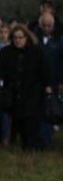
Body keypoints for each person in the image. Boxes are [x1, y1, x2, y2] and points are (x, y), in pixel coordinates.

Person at [0, 25, 52, 151]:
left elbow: (44, 69)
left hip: (33, 90)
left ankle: (31, 146)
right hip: (15, 91)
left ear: (26, 38)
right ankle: (26, 143)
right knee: (19, 118)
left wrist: (48, 85)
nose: (18, 40)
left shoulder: (36, 51)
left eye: (20, 37)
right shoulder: (6, 52)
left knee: (31, 118)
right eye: (15, 37)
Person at [34, 13, 60, 148]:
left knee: (49, 110)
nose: (46, 28)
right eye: (44, 25)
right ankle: (37, 139)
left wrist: (58, 83)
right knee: (37, 109)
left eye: (49, 26)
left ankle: (46, 140)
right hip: (36, 81)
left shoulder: (58, 41)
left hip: (52, 81)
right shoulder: (34, 39)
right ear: (40, 25)